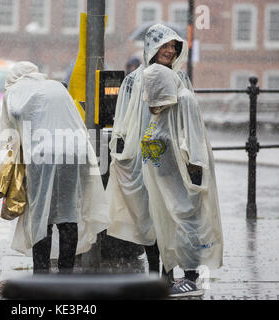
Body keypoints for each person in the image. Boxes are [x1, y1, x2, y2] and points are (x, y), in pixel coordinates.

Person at [1, 61, 109, 274]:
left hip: (42, 156)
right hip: (74, 152)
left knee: (42, 215)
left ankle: (41, 274)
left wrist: (8, 173)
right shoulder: (56, 86)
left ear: (13, 79)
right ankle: (65, 272)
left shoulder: (14, 92)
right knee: (68, 213)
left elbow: (9, 137)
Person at [106, 24, 194, 285]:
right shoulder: (133, 80)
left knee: (174, 215)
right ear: (152, 48)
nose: (168, 51)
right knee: (150, 217)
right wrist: (121, 153)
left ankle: (181, 272)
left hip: (172, 160)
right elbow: (122, 119)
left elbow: (188, 117)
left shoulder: (181, 78)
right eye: (164, 46)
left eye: (172, 47)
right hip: (144, 158)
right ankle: (159, 275)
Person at [141, 63, 223, 297]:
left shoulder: (184, 100)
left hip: (182, 179)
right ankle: (177, 274)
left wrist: (194, 180)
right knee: (172, 225)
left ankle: (191, 278)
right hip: (167, 179)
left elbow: (193, 140)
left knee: (187, 222)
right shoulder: (163, 105)